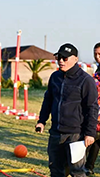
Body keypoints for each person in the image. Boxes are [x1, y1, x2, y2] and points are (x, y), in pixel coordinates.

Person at [35, 43, 98, 177]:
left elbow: (92, 108)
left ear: (75, 59)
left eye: (65, 58)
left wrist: (90, 133)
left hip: (76, 135)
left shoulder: (86, 80)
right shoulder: (55, 77)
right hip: (56, 134)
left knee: (77, 172)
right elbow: (48, 100)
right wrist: (41, 121)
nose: (61, 61)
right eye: (59, 58)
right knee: (56, 170)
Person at [84, 42, 100, 176]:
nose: (97, 56)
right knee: (94, 141)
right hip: (96, 113)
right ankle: (88, 167)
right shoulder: (98, 70)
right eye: (95, 54)